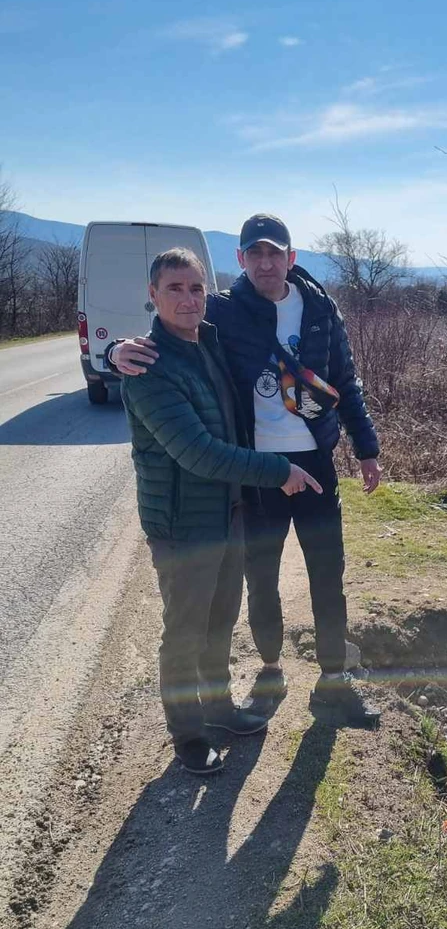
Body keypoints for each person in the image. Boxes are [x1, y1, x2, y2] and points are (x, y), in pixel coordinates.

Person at [110, 214, 381, 728]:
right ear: (239, 261)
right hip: (258, 471)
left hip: (315, 463)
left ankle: (333, 682)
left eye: (274, 253)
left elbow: (345, 378)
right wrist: (117, 348)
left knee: (329, 574)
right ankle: (271, 670)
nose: (265, 262)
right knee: (261, 577)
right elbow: (170, 326)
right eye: (254, 254)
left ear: (290, 258)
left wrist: (366, 448)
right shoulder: (225, 312)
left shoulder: (321, 307)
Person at [122, 247, 322, 775]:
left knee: (220, 620)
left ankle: (218, 707)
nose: (188, 299)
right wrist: (279, 471)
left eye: (195, 288)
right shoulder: (147, 368)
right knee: (185, 631)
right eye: (174, 288)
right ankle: (187, 735)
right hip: (183, 524)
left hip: (228, 514)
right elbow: (197, 453)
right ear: (153, 295)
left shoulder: (207, 342)